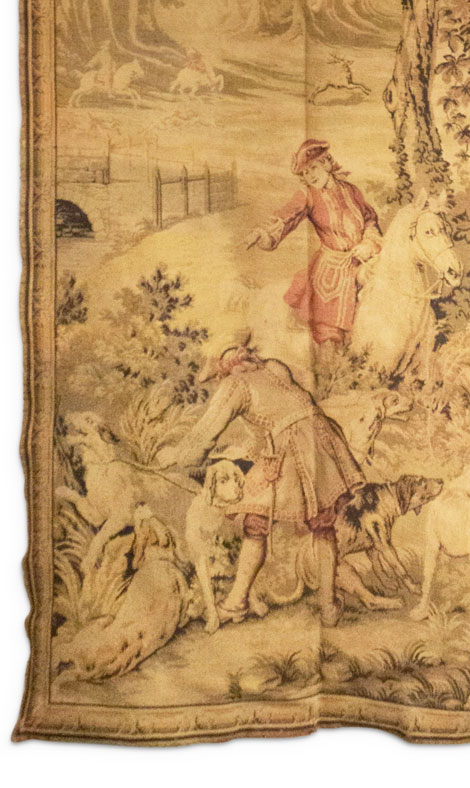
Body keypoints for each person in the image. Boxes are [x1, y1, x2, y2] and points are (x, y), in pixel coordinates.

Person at [157, 342, 363, 626]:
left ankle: (236, 603)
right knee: (322, 523)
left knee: (256, 523)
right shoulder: (274, 367)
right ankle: (328, 606)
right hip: (321, 440)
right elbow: (275, 420)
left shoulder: (234, 386)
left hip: (292, 448)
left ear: (222, 370)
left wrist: (177, 457)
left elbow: (205, 434)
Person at [245, 139, 382, 346]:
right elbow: (287, 215)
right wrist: (262, 232)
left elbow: (370, 219)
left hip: (364, 261)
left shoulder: (351, 190)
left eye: (314, 168)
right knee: (329, 333)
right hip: (332, 269)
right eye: (305, 173)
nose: (310, 176)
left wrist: (369, 244)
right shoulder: (308, 195)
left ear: (326, 163)